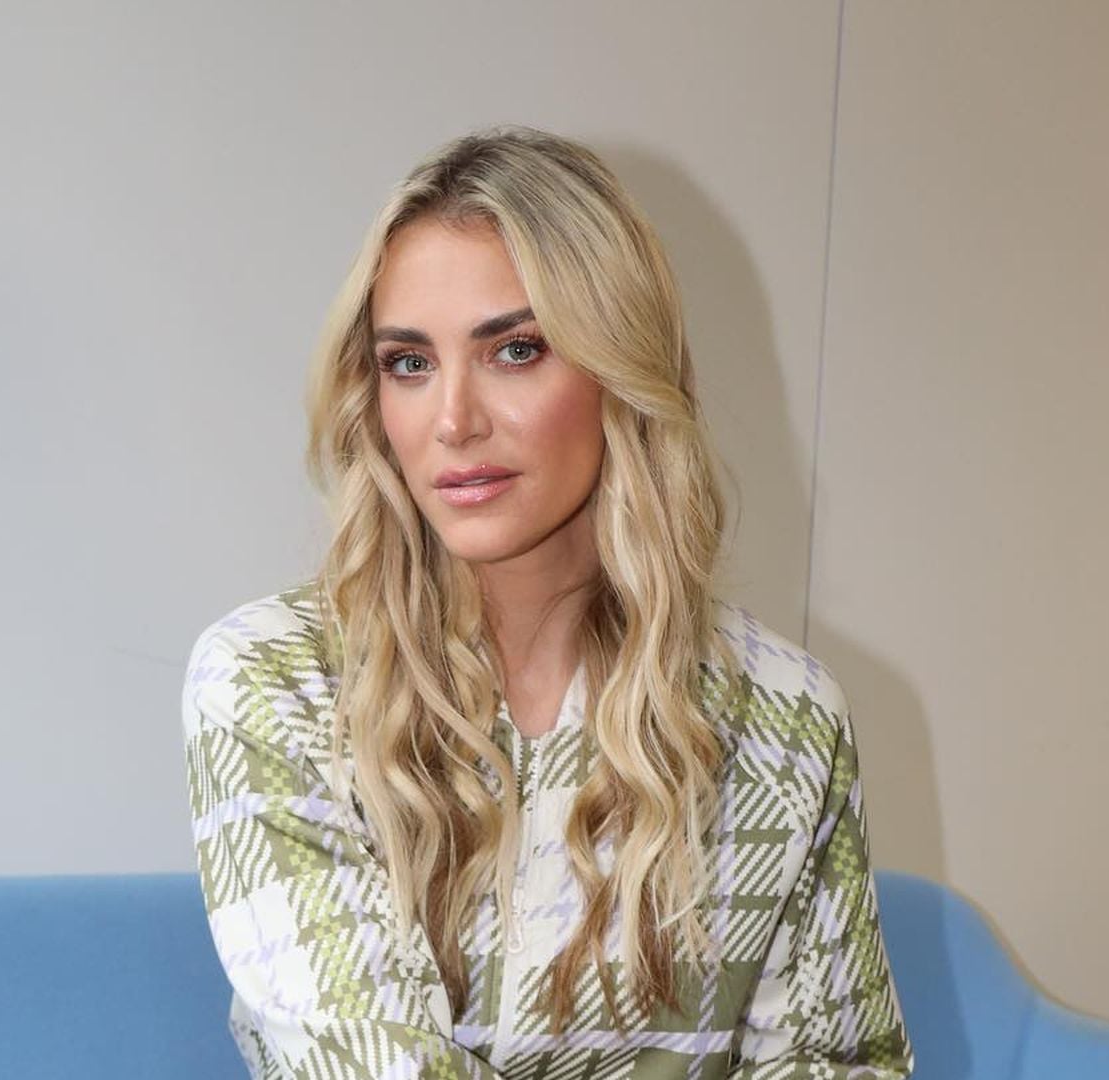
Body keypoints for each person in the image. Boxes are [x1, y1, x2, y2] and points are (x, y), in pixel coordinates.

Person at [181, 124, 915, 1079]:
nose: (453, 420)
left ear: (620, 372)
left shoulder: (784, 717)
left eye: (516, 350)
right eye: (409, 363)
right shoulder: (274, 680)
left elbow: (840, 1067)